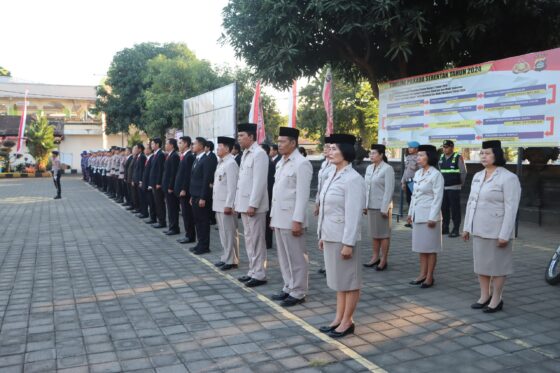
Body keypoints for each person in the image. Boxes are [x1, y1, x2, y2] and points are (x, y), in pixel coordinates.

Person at [462, 140, 521, 313]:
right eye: (481, 153)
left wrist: (505, 233)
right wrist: (467, 227)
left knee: (498, 266)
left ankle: (497, 298)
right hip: (479, 228)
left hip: (497, 230)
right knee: (481, 265)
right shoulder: (478, 176)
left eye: (487, 153)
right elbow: (471, 203)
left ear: (497, 155)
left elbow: (512, 208)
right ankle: (484, 295)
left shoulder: (509, 177)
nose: (483, 156)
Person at [317, 134, 365, 338]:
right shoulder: (331, 174)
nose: (330, 152)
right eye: (330, 149)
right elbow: (325, 207)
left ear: (345, 152)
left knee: (349, 281)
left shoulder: (353, 179)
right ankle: (338, 318)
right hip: (330, 234)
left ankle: (348, 321)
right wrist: (321, 234)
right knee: (338, 281)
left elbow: (353, 214)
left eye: (335, 149)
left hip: (343, 237)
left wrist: (348, 243)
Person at [270, 127, 313, 307]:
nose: (279, 144)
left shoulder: (301, 163)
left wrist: (298, 220)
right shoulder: (281, 162)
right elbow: (276, 192)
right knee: (284, 256)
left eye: (282, 141)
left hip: (291, 218)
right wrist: (272, 217)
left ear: (293, 143)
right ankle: (288, 286)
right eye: (278, 141)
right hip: (279, 216)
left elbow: (303, 196)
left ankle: (299, 291)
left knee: (296, 256)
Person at [235, 123, 270, 288]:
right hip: (244, 204)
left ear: (251, 136)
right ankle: (252, 270)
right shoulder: (246, 154)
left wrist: (253, 204)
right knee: (249, 239)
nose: (239, 138)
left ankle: (260, 274)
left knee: (257, 240)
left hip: (253, 207)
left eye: (241, 135)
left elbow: (259, 182)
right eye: (238, 135)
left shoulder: (259, 154)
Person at [407, 144, 444, 289]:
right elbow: (414, 196)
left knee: (430, 248)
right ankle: (422, 274)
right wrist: (410, 213)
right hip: (418, 215)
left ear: (430, 157)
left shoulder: (436, 175)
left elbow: (438, 197)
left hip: (430, 217)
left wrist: (433, 217)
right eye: (418, 155)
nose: (418, 158)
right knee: (422, 248)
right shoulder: (418, 173)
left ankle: (430, 277)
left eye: (421, 155)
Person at [363, 144, 395, 271]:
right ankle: (375, 257)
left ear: (381, 155)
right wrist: (364, 205)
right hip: (371, 205)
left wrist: (385, 207)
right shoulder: (369, 168)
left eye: (374, 153)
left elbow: (389, 190)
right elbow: (366, 188)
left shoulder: (387, 169)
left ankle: (383, 260)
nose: (371, 155)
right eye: (370, 153)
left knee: (384, 234)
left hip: (382, 206)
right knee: (374, 234)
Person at [212, 136, 240, 271]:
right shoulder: (221, 162)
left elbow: (232, 187)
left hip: (226, 205)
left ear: (227, 148)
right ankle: (227, 257)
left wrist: (229, 204)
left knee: (229, 233)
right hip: (219, 204)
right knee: (224, 233)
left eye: (220, 146)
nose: (217, 149)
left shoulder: (231, 164)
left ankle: (231, 260)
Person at [189, 137, 217, 255]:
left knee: (203, 221)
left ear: (201, 146)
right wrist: (192, 195)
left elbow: (206, 179)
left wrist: (203, 197)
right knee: (197, 221)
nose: (192, 146)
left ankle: (205, 246)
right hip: (195, 195)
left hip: (201, 196)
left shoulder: (206, 159)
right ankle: (200, 243)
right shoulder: (197, 159)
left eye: (194, 144)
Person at [439, 140, 467, 237]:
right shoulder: (441, 157)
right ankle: (445, 227)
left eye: (447, 147)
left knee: (455, 209)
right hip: (443, 187)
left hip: (454, 187)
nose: (445, 149)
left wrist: (461, 184)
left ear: (452, 147)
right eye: (443, 147)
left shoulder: (457, 157)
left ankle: (455, 229)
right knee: (444, 208)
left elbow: (463, 172)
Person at [314, 137, 333, 275]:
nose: (326, 150)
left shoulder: (334, 165)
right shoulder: (324, 164)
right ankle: (327, 263)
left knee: (329, 234)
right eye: (325, 147)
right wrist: (317, 203)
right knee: (323, 234)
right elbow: (320, 187)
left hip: (329, 204)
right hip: (321, 201)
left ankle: (331, 265)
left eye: (329, 147)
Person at [175, 136, 196, 244]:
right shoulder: (184, 156)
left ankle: (190, 236)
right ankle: (188, 234)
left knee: (187, 214)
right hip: (181, 190)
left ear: (186, 144)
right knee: (185, 214)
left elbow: (188, 175)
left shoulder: (189, 157)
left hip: (186, 192)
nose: (178, 145)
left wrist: (183, 189)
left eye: (180, 143)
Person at [162, 139, 181, 235]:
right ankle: (171, 227)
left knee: (173, 208)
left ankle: (174, 228)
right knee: (169, 208)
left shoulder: (174, 156)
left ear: (172, 145)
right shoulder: (169, 155)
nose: (165, 145)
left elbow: (173, 173)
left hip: (171, 187)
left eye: (167, 144)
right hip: (166, 186)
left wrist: (170, 186)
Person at [260, 143, 275, 250]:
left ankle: (268, 242)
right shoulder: (266, 162)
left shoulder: (269, 163)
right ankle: (265, 241)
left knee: (267, 220)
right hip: (265, 194)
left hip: (268, 195)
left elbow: (269, 182)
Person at [401, 141, 419, 227]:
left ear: (416, 149)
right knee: (409, 200)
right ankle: (410, 220)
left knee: (415, 201)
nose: (409, 149)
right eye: (409, 147)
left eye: (411, 147)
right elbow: (406, 171)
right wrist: (403, 182)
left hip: (414, 182)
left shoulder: (419, 158)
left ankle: (415, 220)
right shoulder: (408, 157)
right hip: (408, 181)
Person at [150, 138, 167, 228]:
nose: (151, 145)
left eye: (152, 144)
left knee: (160, 203)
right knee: (157, 202)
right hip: (154, 183)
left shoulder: (160, 154)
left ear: (157, 145)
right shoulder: (155, 154)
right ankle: (159, 220)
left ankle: (162, 222)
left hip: (157, 184)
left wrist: (159, 182)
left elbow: (161, 170)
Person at [142, 144, 157, 225]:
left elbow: (152, 172)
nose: (145, 150)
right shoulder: (148, 158)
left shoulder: (151, 158)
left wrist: (150, 184)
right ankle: (152, 217)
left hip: (150, 184)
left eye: (147, 149)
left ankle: (153, 218)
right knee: (149, 201)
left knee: (152, 202)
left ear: (150, 150)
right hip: (147, 183)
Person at [133, 144, 148, 218]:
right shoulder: (138, 157)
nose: (134, 150)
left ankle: (144, 212)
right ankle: (141, 211)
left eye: (136, 148)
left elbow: (142, 170)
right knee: (139, 197)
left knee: (142, 198)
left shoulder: (142, 157)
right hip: (137, 180)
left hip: (140, 181)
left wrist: (141, 181)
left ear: (140, 149)